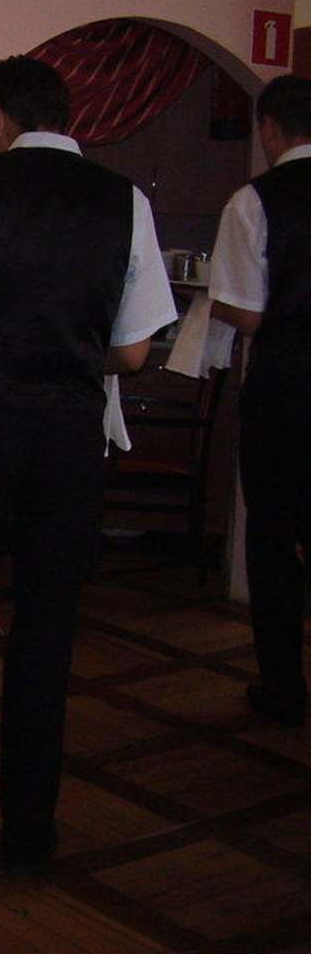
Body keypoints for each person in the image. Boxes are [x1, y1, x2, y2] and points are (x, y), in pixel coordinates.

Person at [0, 56, 177, 871]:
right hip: (67, 439)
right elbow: (134, 349)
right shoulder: (125, 199)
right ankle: (27, 835)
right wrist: (68, 348)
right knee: (47, 633)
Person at [207, 74, 311, 730]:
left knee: (274, 539)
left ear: (270, 128)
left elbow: (244, 312)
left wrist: (217, 307)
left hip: (286, 388)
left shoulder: (254, 201)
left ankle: (283, 690)